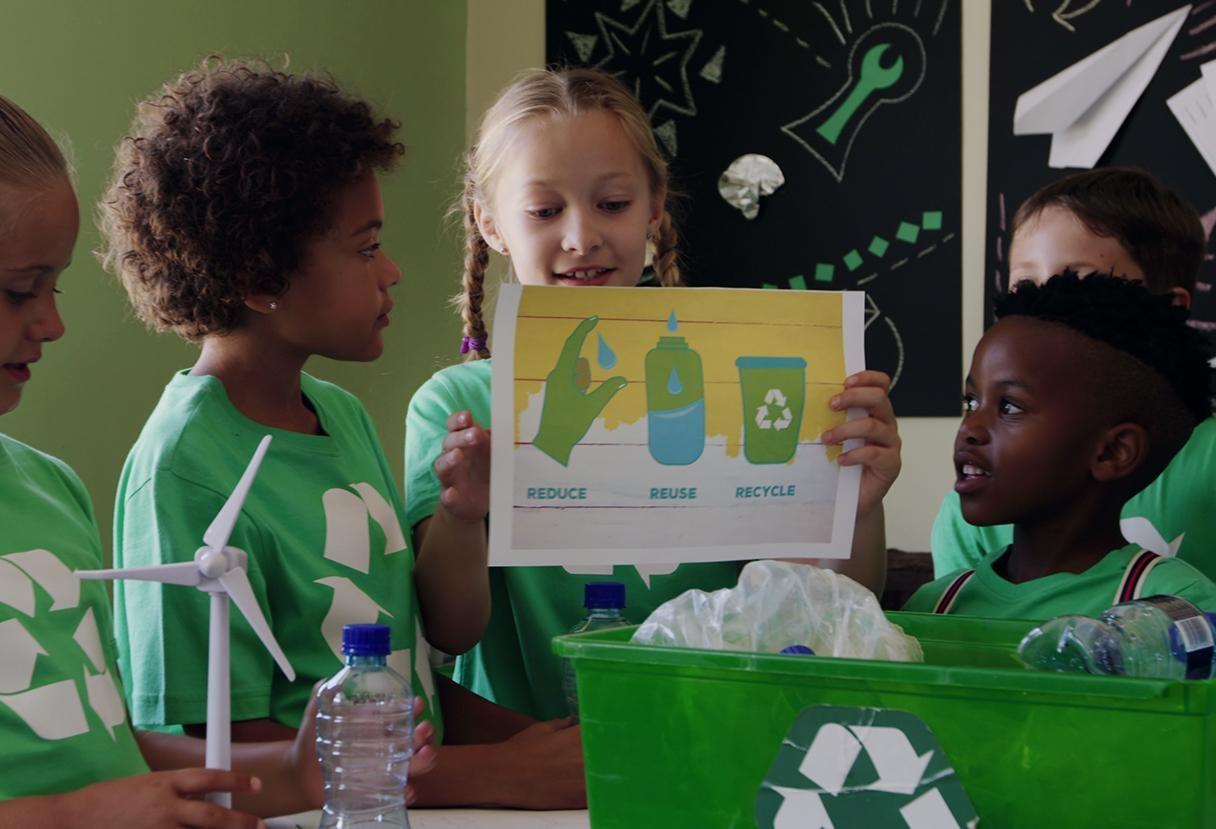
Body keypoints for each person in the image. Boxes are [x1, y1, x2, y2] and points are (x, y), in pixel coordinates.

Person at [0, 67, 402, 826]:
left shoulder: (50, 485)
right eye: (20, 289)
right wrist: (73, 816)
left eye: (57, 288)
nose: (52, 323)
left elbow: (103, 747)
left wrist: (297, 771)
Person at [103, 59, 583, 809]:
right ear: (261, 278)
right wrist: (499, 774)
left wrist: (542, 743)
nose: (391, 272)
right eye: (365, 249)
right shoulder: (183, 468)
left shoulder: (342, 416)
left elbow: (411, 683)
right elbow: (221, 751)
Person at [405, 67, 902, 720]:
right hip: (530, 758)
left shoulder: (732, 380)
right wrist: (462, 515)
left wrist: (854, 508)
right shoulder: (455, 407)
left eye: (612, 203)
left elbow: (826, 605)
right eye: (545, 211)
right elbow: (449, 629)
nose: (581, 236)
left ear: (655, 207)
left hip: (711, 735)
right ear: (490, 224)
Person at [931, 168, 1216, 581]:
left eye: (1076, 280)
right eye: (1025, 285)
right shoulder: (972, 508)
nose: (1045, 306)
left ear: (1168, 307)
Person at [908, 272, 1216, 616]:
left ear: (1112, 452)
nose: (970, 429)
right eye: (971, 402)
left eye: (1009, 407)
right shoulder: (934, 605)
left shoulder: (1181, 610)